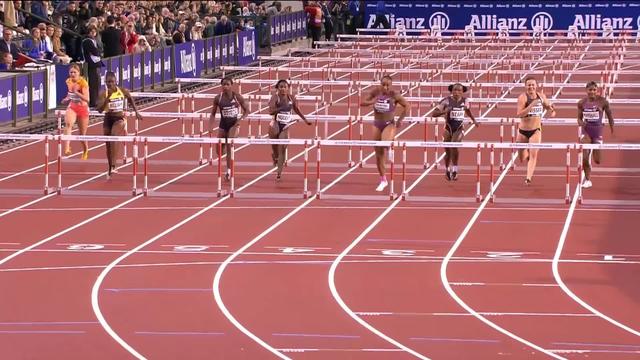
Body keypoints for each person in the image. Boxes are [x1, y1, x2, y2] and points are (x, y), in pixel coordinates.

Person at [360, 75, 410, 191]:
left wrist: (400, 119)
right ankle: (383, 180)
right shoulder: (375, 92)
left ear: (391, 85)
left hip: (389, 123)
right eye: (383, 84)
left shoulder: (394, 95)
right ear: (380, 84)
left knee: (384, 144)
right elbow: (362, 102)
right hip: (377, 123)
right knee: (378, 153)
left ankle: (391, 141)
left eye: (388, 85)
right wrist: (372, 101)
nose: (385, 87)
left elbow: (407, 105)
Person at [96, 71, 142, 178]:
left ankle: (114, 165)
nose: (110, 84)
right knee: (108, 144)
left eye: (112, 82)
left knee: (113, 136)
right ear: (105, 82)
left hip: (119, 118)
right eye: (108, 82)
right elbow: (99, 110)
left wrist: (136, 112)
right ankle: (110, 167)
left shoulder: (122, 91)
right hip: (108, 118)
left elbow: (130, 99)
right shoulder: (104, 94)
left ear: (116, 81)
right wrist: (107, 100)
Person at [432, 83, 479, 181]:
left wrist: (474, 120)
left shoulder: (465, 101)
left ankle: (455, 170)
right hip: (448, 128)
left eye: (459, 90)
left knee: (454, 145)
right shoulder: (446, 101)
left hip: (459, 128)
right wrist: (445, 112)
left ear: (463, 92)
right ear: (451, 91)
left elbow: (467, 110)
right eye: (454, 90)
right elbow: (434, 114)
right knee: (447, 152)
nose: (456, 92)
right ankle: (447, 170)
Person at [268, 79, 312, 181]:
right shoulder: (275, 98)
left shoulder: (291, 98)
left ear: (288, 88)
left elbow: (296, 109)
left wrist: (305, 120)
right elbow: (270, 111)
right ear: (277, 89)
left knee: (282, 149)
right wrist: (281, 108)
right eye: (281, 87)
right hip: (274, 124)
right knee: (276, 150)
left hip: (285, 126)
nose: (283, 89)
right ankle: (274, 156)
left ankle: (279, 173)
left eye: (285, 87)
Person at [516, 76, 555, 185]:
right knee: (521, 158)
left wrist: (552, 111)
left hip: (536, 130)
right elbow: (519, 114)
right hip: (523, 131)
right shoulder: (522, 98)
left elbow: (548, 106)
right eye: (529, 85)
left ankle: (528, 178)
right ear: (525, 86)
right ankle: (526, 154)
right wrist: (531, 105)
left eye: (533, 84)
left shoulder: (541, 96)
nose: (531, 87)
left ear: (536, 86)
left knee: (534, 155)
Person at [210, 77, 249, 180]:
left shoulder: (237, 97)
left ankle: (228, 171)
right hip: (223, 125)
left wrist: (239, 121)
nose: (225, 86)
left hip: (234, 125)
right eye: (223, 85)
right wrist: (210, 126)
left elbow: (247, 111)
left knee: (228, 145)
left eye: (227, 84)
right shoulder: (218, 98)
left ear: (231, 85)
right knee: (219, 150)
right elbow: (213, 114)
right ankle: (227, 154)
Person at [577, 81, 614, 189]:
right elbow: (578, 118)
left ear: (597, 91)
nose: (592, 92)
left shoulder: (603, 102)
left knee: (597, 160)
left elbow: (610, 116)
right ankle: (588, 180)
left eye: (594, 90)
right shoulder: (581, 103)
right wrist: (581, 123)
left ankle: (592, 157)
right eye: (590, 90)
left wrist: (613, 130)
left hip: (597, 133)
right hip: (586, 132)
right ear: (586, 90)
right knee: (584, 157)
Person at [61, 64, 90, 159]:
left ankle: (85, 150)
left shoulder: (83, 83)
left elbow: (87, 99)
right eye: (71, 72)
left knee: (82, 134)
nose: (72, 74)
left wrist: (77, 92)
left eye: (74, 72)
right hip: (73, 106)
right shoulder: (68, 81)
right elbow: (70, 94)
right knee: (68, 124)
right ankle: (67, 148)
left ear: (79, 73)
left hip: (83, 109)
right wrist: (66, 98)